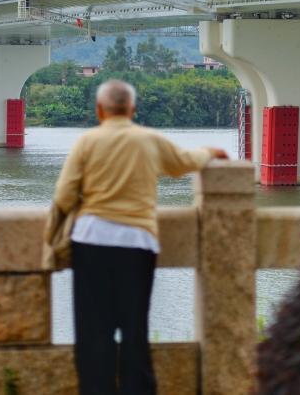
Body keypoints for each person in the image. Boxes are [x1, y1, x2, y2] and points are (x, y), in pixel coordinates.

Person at [49, 77, 228, 395]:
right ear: (132, 109)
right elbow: (183, 163)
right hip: (137, 244)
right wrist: (208, 151)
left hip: (92, 241)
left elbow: (64, 195)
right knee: (134, 329)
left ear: (99, 110)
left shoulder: (86, 142)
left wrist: (51, 237)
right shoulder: (149, 139)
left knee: (94, 331)